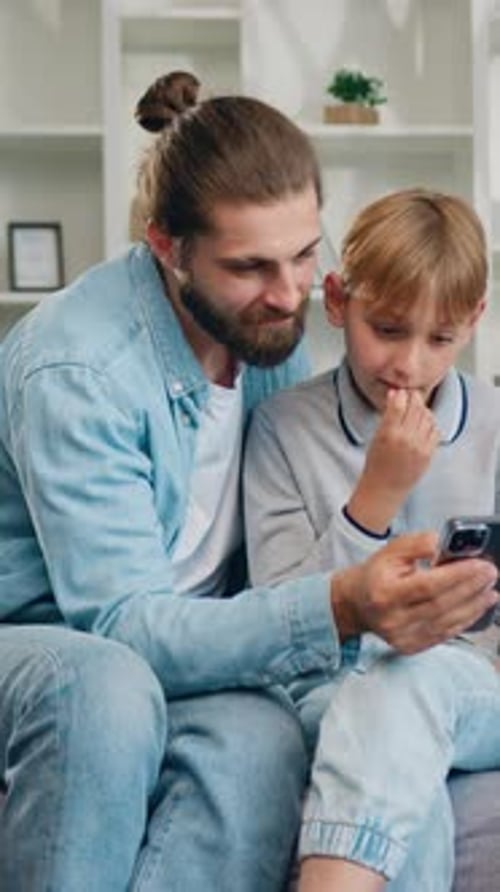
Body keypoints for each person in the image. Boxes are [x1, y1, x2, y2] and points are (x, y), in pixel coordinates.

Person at [0, 70, 497, 892]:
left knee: (263, 744)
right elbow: (122, 624)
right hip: (57, 632)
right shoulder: (78, 368)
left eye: (306, 255)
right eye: (251, 266)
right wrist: (341, 602)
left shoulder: (267, 330)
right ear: (168, 246)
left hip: (198, 633)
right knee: (104, 688)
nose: (292, 293)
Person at [243, 188, 500, 892]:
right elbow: (278, 613)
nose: (410, 364)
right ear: (336, 300)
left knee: (409, 680)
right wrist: (374, 498)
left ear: (473, 323)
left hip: (474, 686)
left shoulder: (496, 426)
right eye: (386, 329)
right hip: (332, 686)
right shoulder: (281, 428)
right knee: (395, 756)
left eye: (440, 339)